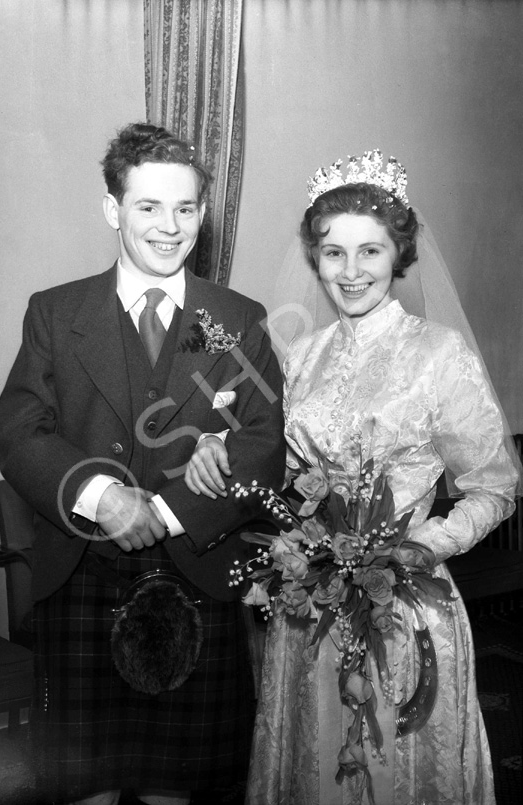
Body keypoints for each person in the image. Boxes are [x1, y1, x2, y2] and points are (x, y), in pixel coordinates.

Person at [184, 151, 520, 804]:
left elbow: (495, 487)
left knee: (393, 768)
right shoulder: (302, 356)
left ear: (399, 252)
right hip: (309, 606)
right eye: (334, 252)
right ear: (316, 258)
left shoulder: (438, 354)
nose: (351, 270)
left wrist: (424, 543)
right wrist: (221, 444)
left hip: (408, 606)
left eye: (370, 251)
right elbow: (284, 466)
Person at [0, 122, 285, 805]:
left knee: (174, 786)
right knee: (83, 783)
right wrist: (102, 498)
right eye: (148, 206)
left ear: (203, 213)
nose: (169, 226)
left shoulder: (234, 321)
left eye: (185, 208)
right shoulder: (55, 312)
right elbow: (20, 431)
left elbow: (264, 441)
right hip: (81, 572)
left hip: (198, 568)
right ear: (112, 209)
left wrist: (161, 510)